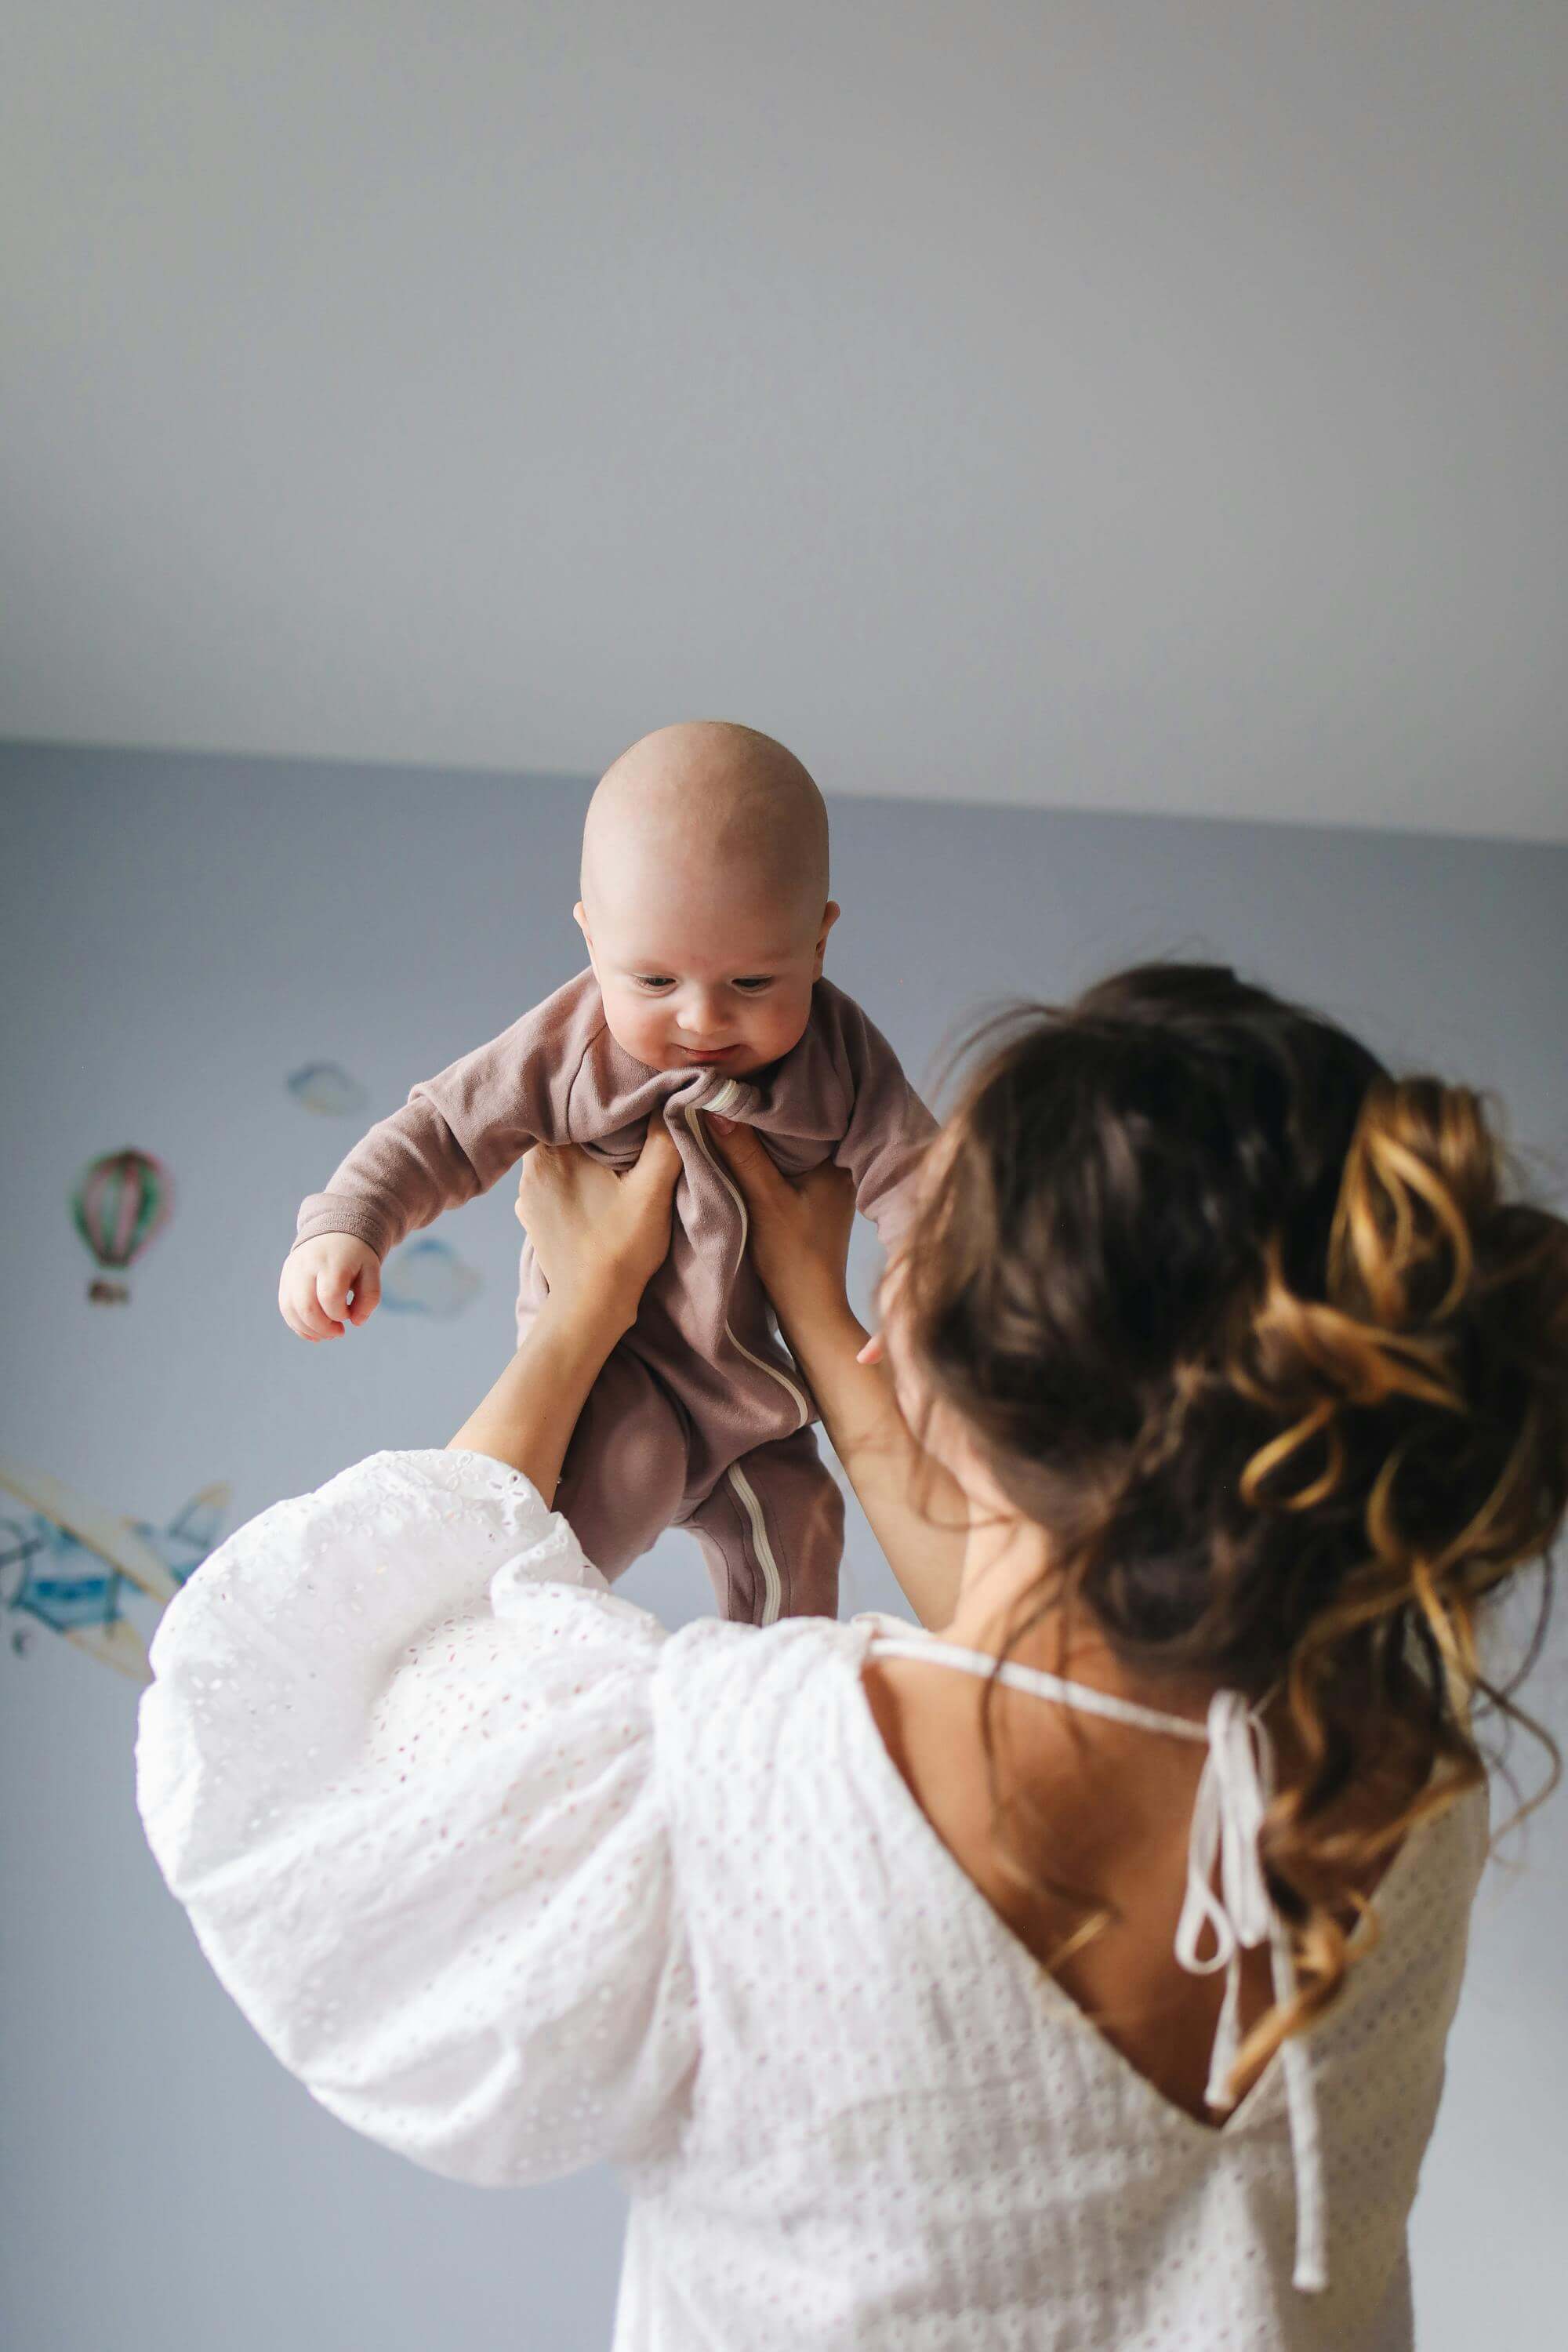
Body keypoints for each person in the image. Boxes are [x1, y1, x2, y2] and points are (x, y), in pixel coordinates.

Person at [140, 962, 1567, 2351]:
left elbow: (364, 1698)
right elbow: (1054, 1647)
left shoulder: (745, 1776)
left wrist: (581, 1308)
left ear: (948, 1360)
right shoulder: (1402, 1796)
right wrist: (821, 1317)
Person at [276, 718, 933, 1623]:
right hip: (618, 1384)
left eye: (751, 984)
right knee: (537, 1559)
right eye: (654, 982)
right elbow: (443, 1129)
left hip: (756, 1404)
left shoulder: (840, 1057)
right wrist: (350, 1222)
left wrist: (929, 1281)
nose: (702, 1019)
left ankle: (763, 1713)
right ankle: (511, 1678)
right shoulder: (570, 1046)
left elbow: (915, 1172)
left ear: (817, 944)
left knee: (803, 1530)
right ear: (592, 943)